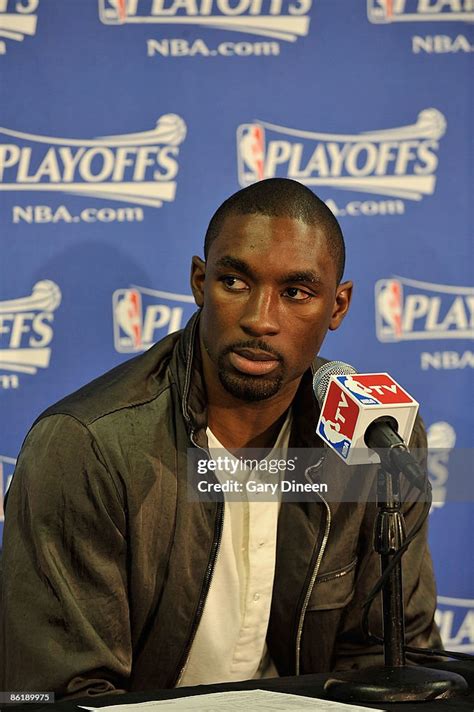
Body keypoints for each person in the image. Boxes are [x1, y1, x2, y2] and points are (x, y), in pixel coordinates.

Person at [0, 179, 441, 698]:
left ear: (338, 306)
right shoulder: (89, 445)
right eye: (234, 282)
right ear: (198, 281)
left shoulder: (381, 439)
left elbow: (391, 664)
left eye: (296, 293)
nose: (260, 319)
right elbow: (60, 693)